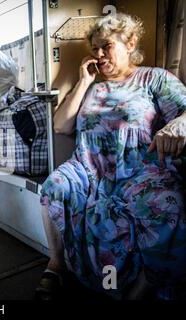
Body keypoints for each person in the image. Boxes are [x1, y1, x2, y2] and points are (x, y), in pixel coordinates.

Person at [36, 13, 186, 300]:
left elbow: (185, 110)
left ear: (129, 44)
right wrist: (82, 82)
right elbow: (61, 125)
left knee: (169, 211)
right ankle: (55, 264)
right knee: (54, 186)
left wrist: (181, 122)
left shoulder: (153, 78)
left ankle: (141, 291)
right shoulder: (93, 88)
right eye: (95, 49)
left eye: (106, 46)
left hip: (141, 170)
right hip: (90, 168)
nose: (100, 54)